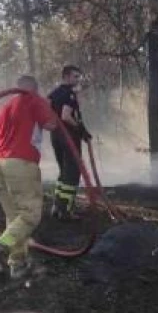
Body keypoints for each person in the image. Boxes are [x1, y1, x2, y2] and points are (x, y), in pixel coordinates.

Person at [0, 75, 58, 278]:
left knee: (15, 217)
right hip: (22, 163)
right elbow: (52, 124)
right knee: (30, 214)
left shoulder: (3, 108)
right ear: (34, 88)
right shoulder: (33, 100)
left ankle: (17, 264)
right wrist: (49, 107)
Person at [46, 65, 91, 220]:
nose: (77, 79)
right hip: (69, 137)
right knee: (72, 174)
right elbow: (66, 115)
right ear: (66, 76)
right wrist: (80, 130)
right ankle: (66, 210)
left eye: (78, 77)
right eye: (75, 76)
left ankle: (57, 207)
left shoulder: (53, 93)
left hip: (56, 136)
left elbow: (48, 112)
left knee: (63, 172)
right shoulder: (69, 94)